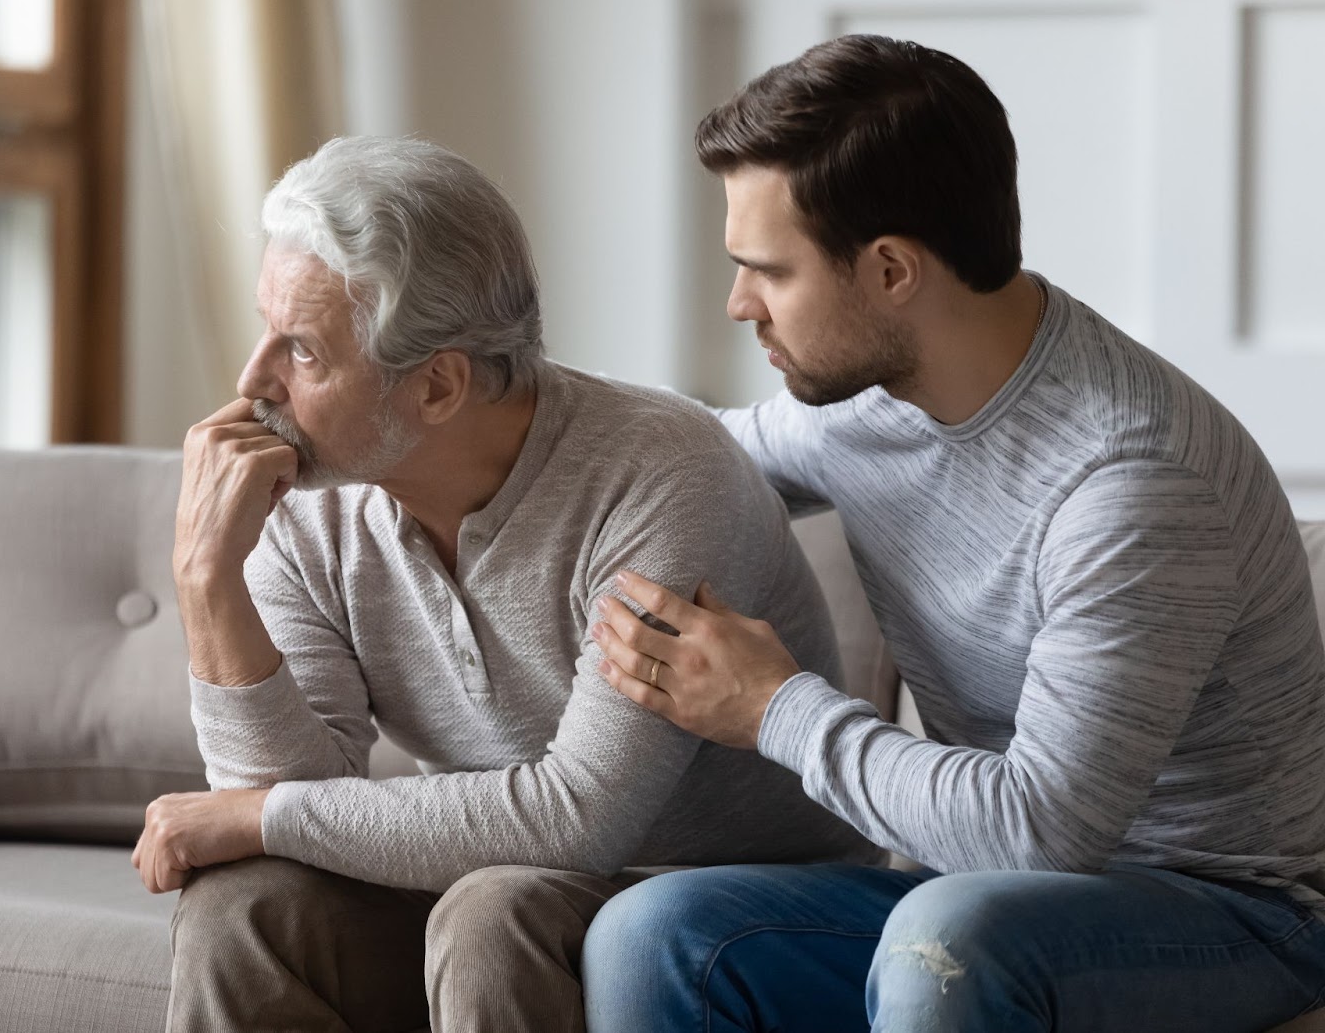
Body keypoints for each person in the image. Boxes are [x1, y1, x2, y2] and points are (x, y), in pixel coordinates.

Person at [581, 34, 1325, 1032]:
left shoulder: (1130, 482)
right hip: (970, 890)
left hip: (1232, 912)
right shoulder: (859, 403)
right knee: (653, 932)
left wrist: (771, 707)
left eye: (769, 271)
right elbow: (681, 457)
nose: (737, 305)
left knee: (954, 933)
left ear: (890, 269)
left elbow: (1038, 829)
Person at [130, 135, 875, 1033]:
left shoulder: (658, 473)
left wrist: (262, 817)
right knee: (245, 907)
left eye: (305, 353)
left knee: (492, 916)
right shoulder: (302, 493)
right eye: (266, 332)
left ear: (439, 385)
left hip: (732, 906)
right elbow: (289, 794)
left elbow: (582, 816)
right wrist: (207, 579)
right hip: (505, 886)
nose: (255, 384)